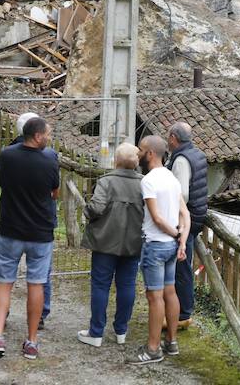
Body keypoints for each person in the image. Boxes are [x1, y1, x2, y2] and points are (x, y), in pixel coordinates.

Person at [0, 117, 59, 361]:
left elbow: (1, 183)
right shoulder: (50, 159)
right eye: (47, 133)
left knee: (4, 280)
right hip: (40, 232)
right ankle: (31, 341)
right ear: (38, 136)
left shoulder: (6, 155)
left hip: (10, 229)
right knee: (36, 284)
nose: (49, 137)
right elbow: (54, 192)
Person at [127, 135, 190, 365]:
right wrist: (181, 240)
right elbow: (185, 214)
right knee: (170, 292)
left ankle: (153, 349)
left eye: (141, 150)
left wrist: (175, 234)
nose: (138, 154)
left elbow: (156, 217)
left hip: (155, 244)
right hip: (172, 247)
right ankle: (171, 342)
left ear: (150, 154)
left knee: (155, 298)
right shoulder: (172, 179)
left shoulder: (149, 181)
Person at [76, 142, 144, 348]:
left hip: (105, 242)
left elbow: (96, 207)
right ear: (137, 162)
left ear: (116, 161)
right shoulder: (144, 183)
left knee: (100, 285)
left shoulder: (106, 182)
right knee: (127, 285)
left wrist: (87, 213)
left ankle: (96, 333)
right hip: (133, 242)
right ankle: (121, 331)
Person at [166, 122, 208, 329]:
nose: (167, 141)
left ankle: (183, 314)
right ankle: (180, 310)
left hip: (187, 218)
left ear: (174, 138)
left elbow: (181, 193)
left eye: (168, 137)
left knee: (182, 267)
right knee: (184, 264)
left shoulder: (181, 160)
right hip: (198, 213)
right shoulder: (197, 153)